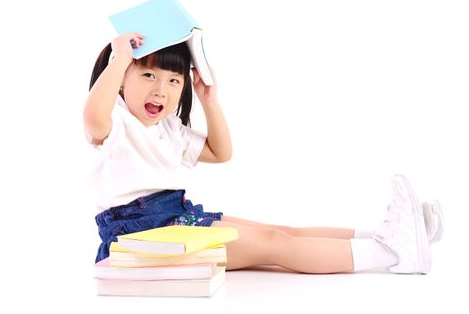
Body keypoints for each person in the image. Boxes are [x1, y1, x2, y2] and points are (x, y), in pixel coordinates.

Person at [84, 32, 443, 274]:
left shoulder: (167, 129)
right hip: (140, 234)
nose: (160, 90)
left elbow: (220, 152)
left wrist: (210, 101)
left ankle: (391, 233)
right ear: (121, 80)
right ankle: (392, 254)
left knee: (281, 230)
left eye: (173, 80)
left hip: (172, 216)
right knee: (274, 244)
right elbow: (93, 116)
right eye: (148, 75)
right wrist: (118, 59)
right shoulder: (115, 122)